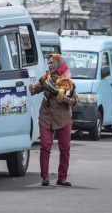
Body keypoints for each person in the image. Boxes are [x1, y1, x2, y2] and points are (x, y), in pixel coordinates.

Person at [30, 54, 78, 186]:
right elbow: (33, 90)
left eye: (52, 63)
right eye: (49, 63)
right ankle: (45, 178)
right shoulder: (46, 79)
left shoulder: (68, 81)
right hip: (46, 116)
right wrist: (30, 88)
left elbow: (75, 100)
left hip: (63, 117)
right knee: (45, 146)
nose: (50, 65)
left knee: (65, 148)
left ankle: (62, 178)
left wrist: (66, 99)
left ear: (59, 64)